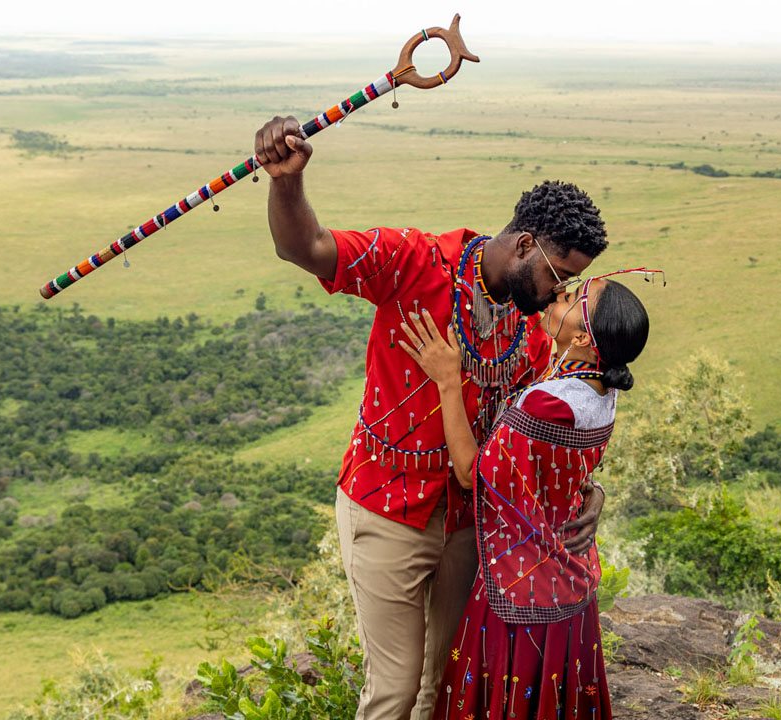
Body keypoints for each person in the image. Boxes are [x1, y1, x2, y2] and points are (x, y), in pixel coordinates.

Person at [254, 114, 610, 720]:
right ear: (525, 245)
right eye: (560, 276)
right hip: (387, 506)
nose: (560, 296)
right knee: (395, 687)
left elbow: (535, 437)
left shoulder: (530, 324)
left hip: (470, 519)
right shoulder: (415, 261)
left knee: (442, 683)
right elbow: (304, 248)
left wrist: (584, 489)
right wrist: (287, 183)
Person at [398, 271, 651, 720]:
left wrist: (448, 380)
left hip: (520, 583)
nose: (560, 293)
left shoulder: (547, 405)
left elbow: (472, 475)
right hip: (568, 583)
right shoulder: (603, 392)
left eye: (573, 297)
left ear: (584, 340)